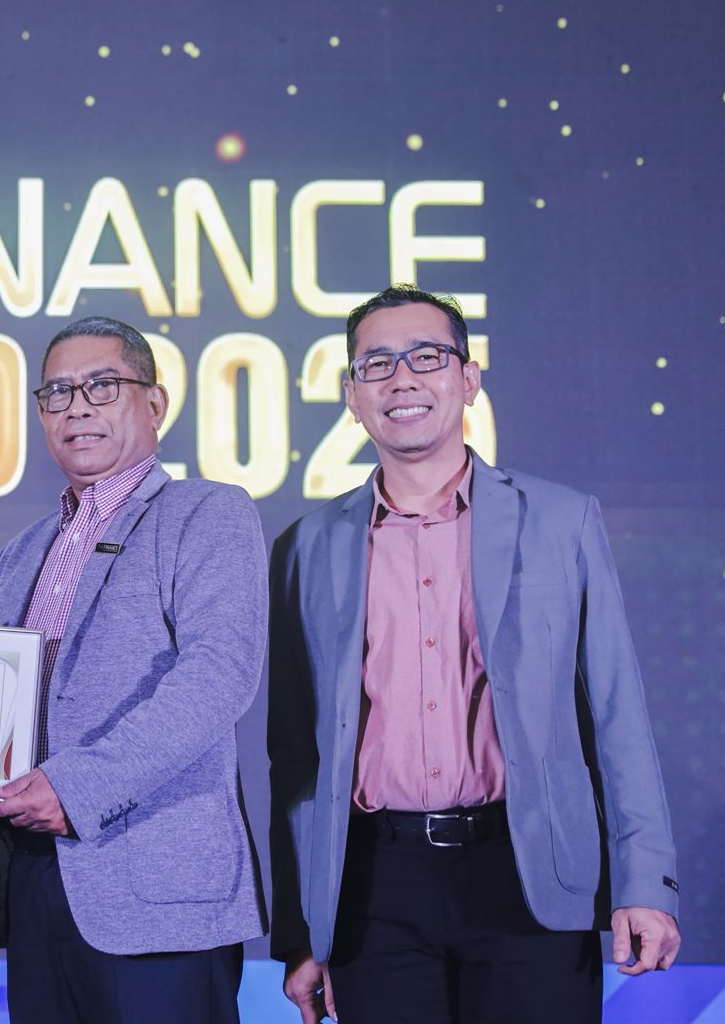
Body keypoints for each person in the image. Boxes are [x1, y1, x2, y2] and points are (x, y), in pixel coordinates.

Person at [268, 285, 680, 1024]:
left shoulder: (560, 520)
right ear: (351, 396)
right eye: (376, 364)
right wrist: (301, 934)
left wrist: (644, 882)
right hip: (373, 888)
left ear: (468, 378)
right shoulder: (307, 547)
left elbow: (617, 716)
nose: (402, 379)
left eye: (426, 357)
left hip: (527, 870)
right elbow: (295, 755)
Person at [0, 315, 267, 1023]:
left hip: (156, 889)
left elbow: (219, 675)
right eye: (58, 393)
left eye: (103, 385)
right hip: (33, 880)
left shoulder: (206, 513)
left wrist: (75, 787)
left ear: (155, 404)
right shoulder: (20, 553)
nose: (77, 408)